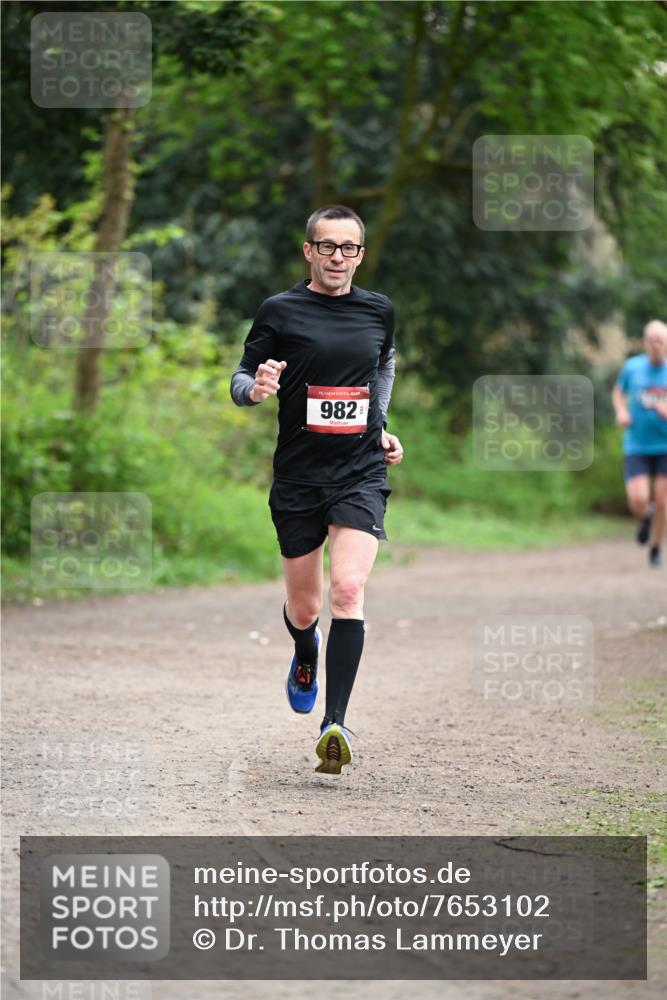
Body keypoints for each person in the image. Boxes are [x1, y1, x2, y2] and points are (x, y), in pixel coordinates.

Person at [230, 205, 403, 773]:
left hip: (360, 472)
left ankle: (335, 724)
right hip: (299, 477)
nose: (337, 257)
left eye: (348, 248)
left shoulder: (379, 310)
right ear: (309, 251)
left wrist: (379, 424)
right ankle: (305, 650)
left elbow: (383, 367)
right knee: (305, 609)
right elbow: (240, 378)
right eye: (327, 246)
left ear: (360, 255)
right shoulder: (280, 310)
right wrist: (256, 390)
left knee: (347, 590)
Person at [612, 319, 667, 568]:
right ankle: (646, 515)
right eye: (652, 340)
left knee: (663, 499)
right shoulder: (632, 367)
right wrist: (621, 411)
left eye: (660, 340)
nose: (656, 345)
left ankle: (655, 548)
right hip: (637, 443)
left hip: (665, 446)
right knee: (638, 498)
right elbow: (618, 392)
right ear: (645, 342)